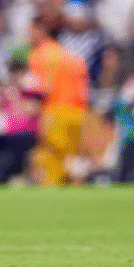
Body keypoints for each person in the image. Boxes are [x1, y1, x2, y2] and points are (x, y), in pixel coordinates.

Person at [27, 16, 89, 185]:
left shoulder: (39, 55)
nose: (28, 35)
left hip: (55, 111)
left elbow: (42, 88)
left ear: (41, 31)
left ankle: (51, 191)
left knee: (51, 158)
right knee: (71, 158)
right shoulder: (73, 57)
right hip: (78, 112)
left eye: (31, 30)